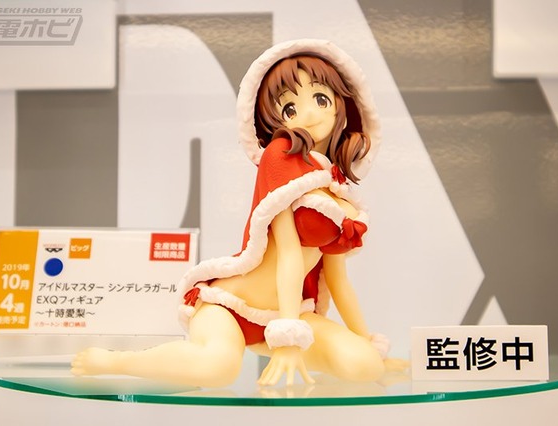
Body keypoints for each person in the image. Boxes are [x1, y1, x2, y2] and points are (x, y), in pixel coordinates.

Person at [72, 39, 401, 387]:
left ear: (341, 103)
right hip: (231, 306)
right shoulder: (281, 157)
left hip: (288, 312)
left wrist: (370, 343)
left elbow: (337, 279)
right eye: (290, 108)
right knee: (219, 369)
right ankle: (116, 362)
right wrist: (288, 339)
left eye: (320, 99)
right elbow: (289, 253)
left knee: (365, 366)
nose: (308, 114)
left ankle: (354, 354)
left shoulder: (337, 188)